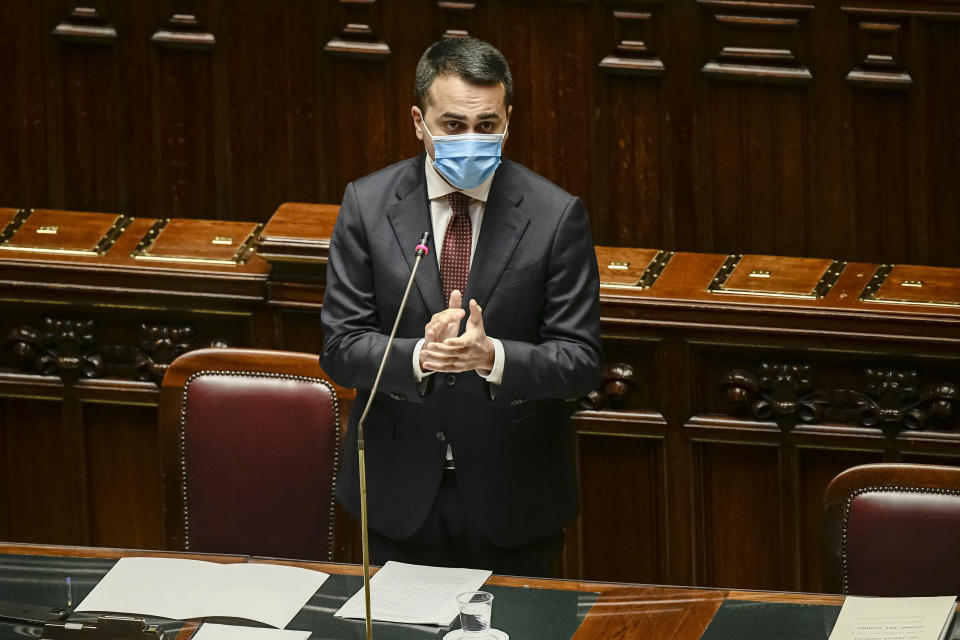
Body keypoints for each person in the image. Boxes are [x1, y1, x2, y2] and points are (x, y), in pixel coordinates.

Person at [320, 36, 602, 577]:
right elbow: (340, 347)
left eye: (486, 124)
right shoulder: (367, 205)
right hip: (397, 497)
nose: (471, 139)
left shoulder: (556, 215)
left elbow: (581, 361)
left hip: (513, 500)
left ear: (508, 120)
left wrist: (491, 355)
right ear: (418, 122)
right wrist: (420, 356)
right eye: (453, 125)